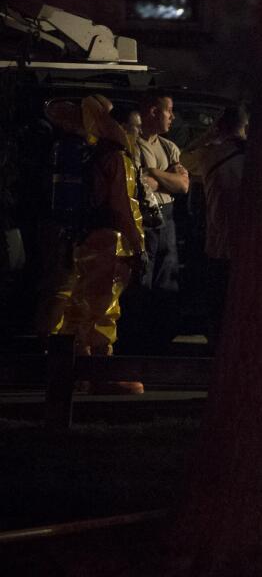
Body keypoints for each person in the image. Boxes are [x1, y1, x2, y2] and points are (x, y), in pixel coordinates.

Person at [53, 96, 147, 393]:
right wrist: (138, 245)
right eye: (135, 127)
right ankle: (102, 373)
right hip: (110, 240)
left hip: (86, 236)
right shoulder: (118, 158)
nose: (137, 134)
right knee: (105, 307)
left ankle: (75, 369)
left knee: (81, 304)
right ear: (119, 126)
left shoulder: (90, 154)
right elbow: (123, 206)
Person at [121, 89, 188, 353]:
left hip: (167, 218)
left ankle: (159, 338)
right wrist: (164, 179)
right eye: (169, 111)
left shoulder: (169, 147)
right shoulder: (133, 144)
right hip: (145, 219)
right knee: (142, 277)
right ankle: (135, 339)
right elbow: (139, 185)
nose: (172, 117)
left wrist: (153, 173)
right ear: (153, 111)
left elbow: (182, 186)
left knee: (165, 275)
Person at [180, 104, 249, 349]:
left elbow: (183, 159)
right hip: (250, 244)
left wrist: (209, 134)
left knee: (219, 301)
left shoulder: (211, 155)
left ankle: (219, 347)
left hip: (219, 242)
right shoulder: (257, 154)